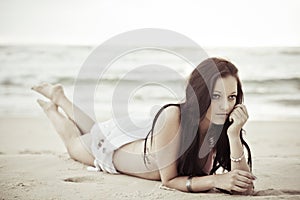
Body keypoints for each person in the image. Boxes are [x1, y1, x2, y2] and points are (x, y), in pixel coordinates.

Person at [31, 57, 256, 194]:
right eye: (216, 96)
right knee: (75, 144)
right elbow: (169, 181)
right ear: (200, 93)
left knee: (94, 130)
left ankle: (60, 98)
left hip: (131, 141)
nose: (225, 106)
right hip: (111, 151)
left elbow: (244, 188)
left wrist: (234, 135)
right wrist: (216, 179)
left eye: (231, 97)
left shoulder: (220, 128)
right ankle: (53, 107)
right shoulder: (173, 116)